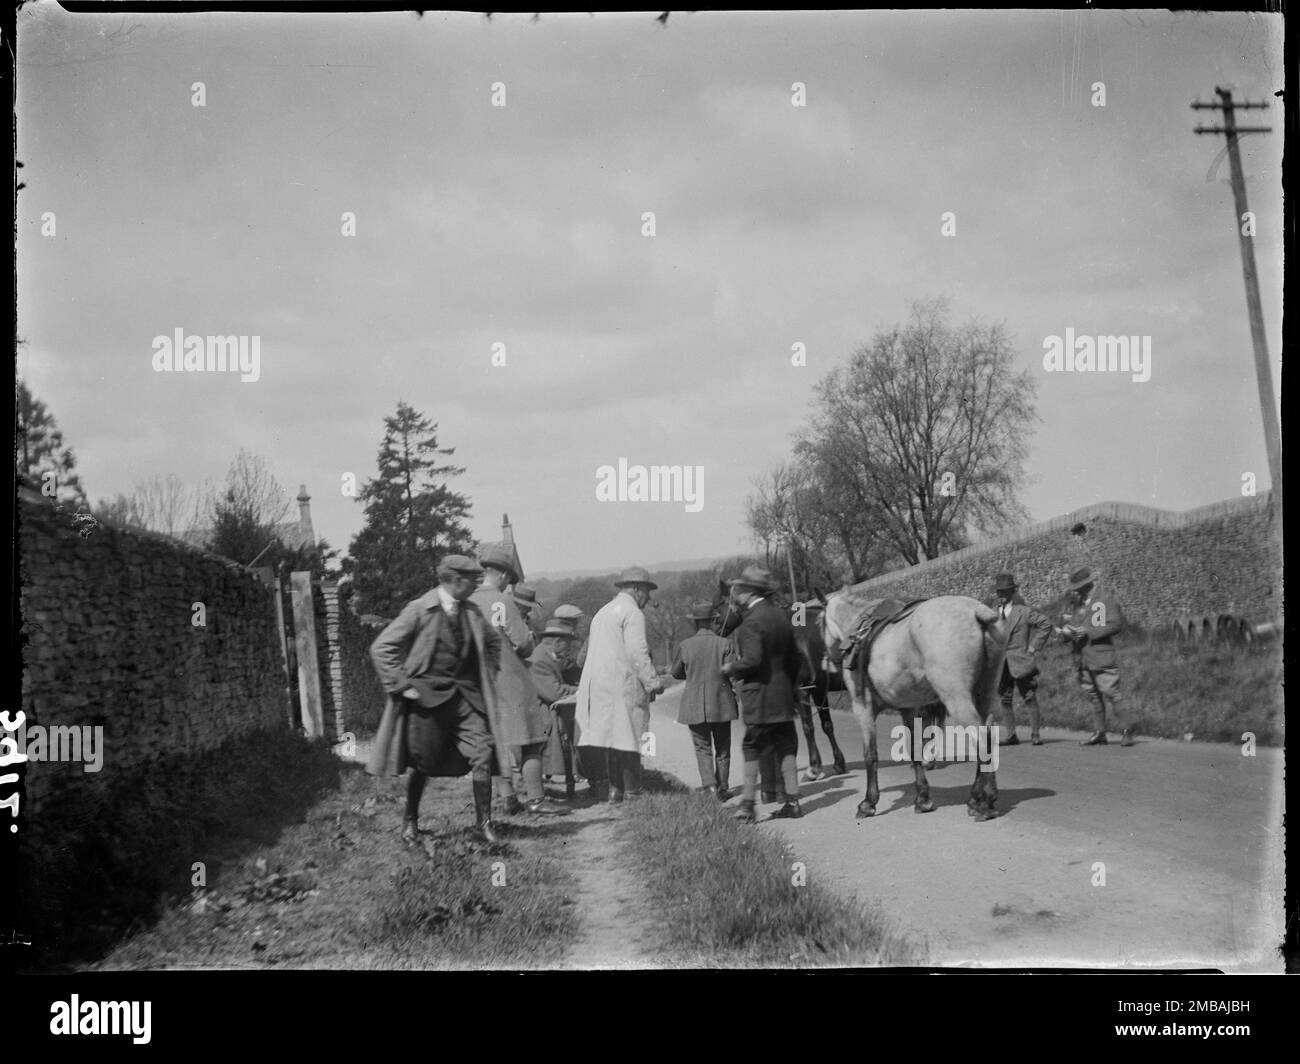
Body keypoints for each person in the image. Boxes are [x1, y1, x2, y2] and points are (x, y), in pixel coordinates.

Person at [366, 555, 506, 845]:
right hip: (427, 699)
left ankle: (484, 824)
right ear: (456, 580)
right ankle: (410, 821)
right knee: (423, 761)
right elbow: (382, 648)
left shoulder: (472, 612)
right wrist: (402, 685)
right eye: (472, 580)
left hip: (466, 698)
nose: (476, 586)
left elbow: (493, 642)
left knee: (482, 752)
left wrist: (487, 672)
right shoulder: (420, 609)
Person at [471, 546, 568, 816]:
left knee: (496, 741)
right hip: (508, 678)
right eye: (509, 578)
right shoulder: (501, 602)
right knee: (530, 740)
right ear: (501, 575)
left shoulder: (467, 600)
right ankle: (536, 799)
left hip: (478, 681)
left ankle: (508, 798)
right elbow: (523, 643)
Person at [574, 567, 665, 803]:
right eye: (646, 591)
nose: (648, 598)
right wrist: (653, 682)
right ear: (635, 589)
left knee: (612, 737)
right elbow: (637, 652)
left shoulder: (602, 612)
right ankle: (633, 790)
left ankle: (616, 791)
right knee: (633, 735)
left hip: (600, 685)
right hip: (623, 683)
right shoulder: (632, 613)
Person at [721, 566, 803, 822]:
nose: (735, 594)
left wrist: (730, 667)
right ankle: (793, 802)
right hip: (783, 697)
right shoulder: (781, 618)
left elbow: (753, 661)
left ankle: (747, 805)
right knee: (786, 746)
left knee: (752, 747)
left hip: (759, 698)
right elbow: (795, 660)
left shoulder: (750, 623)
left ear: (747, 592)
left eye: (739, 589)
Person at [1058, 567, 1133, 747]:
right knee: (1093, 695)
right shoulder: (1079, 604)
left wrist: (1089, 632)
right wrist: (1067, 633)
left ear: (1088, 584)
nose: (1076, 590)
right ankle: (1100, 732)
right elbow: (1075, 626)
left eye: (1079, 586)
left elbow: (1116, 625)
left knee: (1112, 693)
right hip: (1083, 658)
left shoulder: (1105, 599)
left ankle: (1128, 730)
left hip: (1101, 656)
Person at [671, 601, 738, 799]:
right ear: (713, 621)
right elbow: (732, 671)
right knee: (723, 747)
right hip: (722, 704)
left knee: (703, 748)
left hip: (694, 705)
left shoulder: (685, 645)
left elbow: (675, 673)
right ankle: (723, 787)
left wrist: (692, 675)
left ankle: (710, 787)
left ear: (695, 623)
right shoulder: (725, 644)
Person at [991, 572, 1053, 746]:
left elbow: (1045, 624)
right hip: (1001, 665)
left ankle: (1035, 734)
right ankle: (1011, 735)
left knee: (1029, 696)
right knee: (1005, 698)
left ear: (1012, 592)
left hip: (1020, 661)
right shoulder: (992, 614)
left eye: (1004, 592)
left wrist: (1034, 647)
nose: (1001, 596)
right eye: (999, 592)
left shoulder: (1023, 612)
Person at [529, 619, 581, 800]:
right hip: (539, 716)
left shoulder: (546, 655)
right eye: (567, 644)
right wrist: (580, 690)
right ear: (557, 642)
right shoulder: (540, 660)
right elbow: (554, 692)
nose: (568, 649)